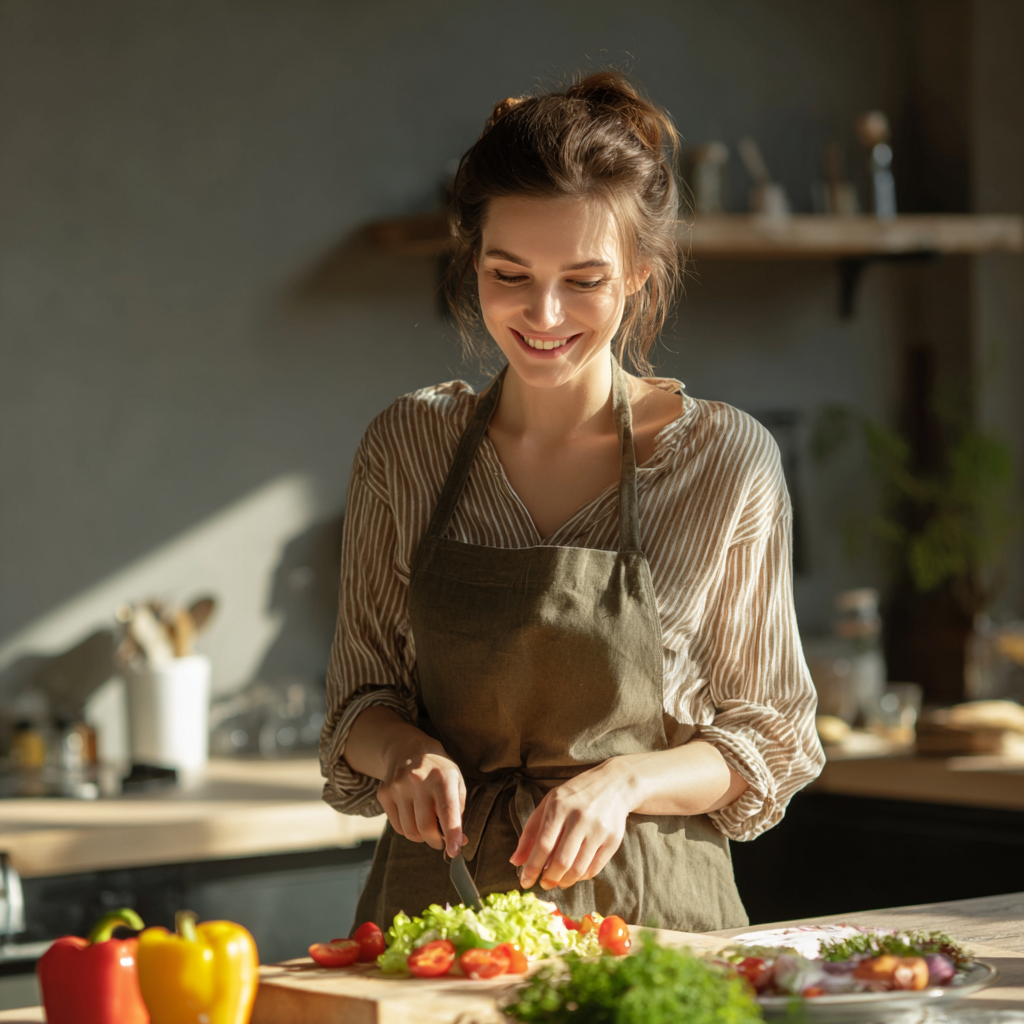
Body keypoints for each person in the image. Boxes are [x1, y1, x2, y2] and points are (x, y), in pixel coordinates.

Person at [321, 71, 824, 934]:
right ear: (471, 260)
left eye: (583, 280)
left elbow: (769, 734)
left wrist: (628, 782)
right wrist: (404, 753)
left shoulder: (722, 460)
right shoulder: (408, 447)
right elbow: (358, 699)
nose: (542, 313)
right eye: (508, 272)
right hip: (440, 927)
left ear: (637, 274)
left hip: (653, 925)